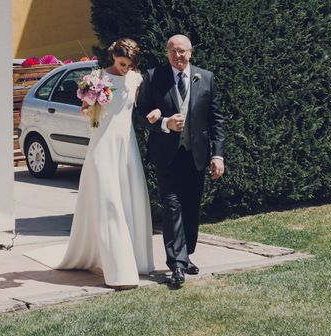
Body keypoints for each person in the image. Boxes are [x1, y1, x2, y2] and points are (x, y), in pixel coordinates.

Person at [26, 38, 159, 289]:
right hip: (101, 144)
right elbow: (85, 112)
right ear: (113, 57)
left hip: (126, 145)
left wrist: (156, 113)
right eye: (121, 63)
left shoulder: (136, 79)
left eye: (129, 65)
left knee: (128, 199)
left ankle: (135, 258)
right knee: (107, 200)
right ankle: (119, 270)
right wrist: (91, 105)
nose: (124, 69)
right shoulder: (96, 78)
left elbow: (141, 109)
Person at [135, 34, 225, 288]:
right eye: (173, 51)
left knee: (191, 207)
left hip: (196, 155)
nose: (178, 56)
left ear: (191, 52)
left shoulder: (205, 78)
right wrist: (164, 122)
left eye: (182, 51)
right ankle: (176, 264)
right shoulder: (154, 77)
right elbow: (140, 116)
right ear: (167, 53)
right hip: (166, 155)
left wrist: (217, 154)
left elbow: (216, 120)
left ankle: (185, 256)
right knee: (172, 205)